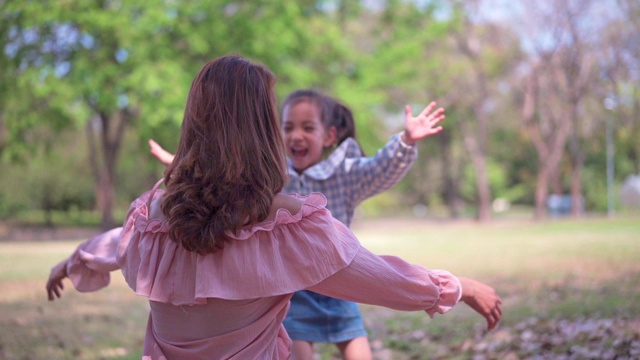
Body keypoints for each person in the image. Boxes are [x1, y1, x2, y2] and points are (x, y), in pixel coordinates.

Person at [47, 54, 502, 359]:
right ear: (262, 128)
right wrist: (458, 288)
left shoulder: (152, 216)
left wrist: (74, 261)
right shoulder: (286, 225)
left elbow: (114, 245)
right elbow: (381, 279)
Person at [148, 89, 446, 359]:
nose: (296, 136)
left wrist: (405, 141)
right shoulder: (275, 178)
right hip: (295, 291)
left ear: (328, 136)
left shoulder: (346, 173)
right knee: (297, 352)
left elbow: (380, 170)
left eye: (307, 128)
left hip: (342, 282)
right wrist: (181, 163)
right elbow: (223, 176)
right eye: (288, 128)